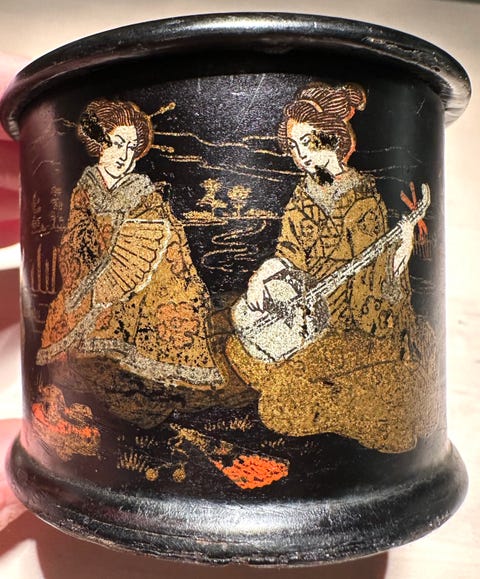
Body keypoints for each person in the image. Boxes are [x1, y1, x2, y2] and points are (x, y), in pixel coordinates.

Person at [227, 82, 440, 453]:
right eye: (295, 147)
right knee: (238, 344)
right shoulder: (303, 194)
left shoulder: (363, 198)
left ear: (334, 137)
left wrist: (402, 250)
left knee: (281, 400)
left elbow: (377, 279)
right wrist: (262, 277)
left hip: (347, 320)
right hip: (303, 310)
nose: (302, 156)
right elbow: (288, 253)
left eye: (308, 143)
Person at [36, 98, 224, 427]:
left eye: (131, 147)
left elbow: (160, 244)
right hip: (92, 280)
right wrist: (91, 263)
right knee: (71, 335)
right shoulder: (85, 188)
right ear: (100, 143)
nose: (124, 155)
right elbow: (75, 241)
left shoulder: (142, 192)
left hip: (143, 285)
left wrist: (123, 266)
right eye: (117, 143)